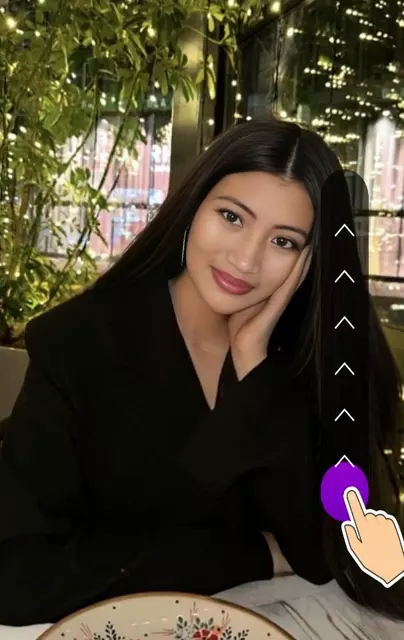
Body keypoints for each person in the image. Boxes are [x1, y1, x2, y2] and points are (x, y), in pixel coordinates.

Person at [0, 117, 402, 626]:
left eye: (283, 242)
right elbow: (16, 577)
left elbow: (332, 551)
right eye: (232, 217)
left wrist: (254, 369)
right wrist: (248, 552)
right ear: (193, 206)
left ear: (309, 260)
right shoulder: (79, 341)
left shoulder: (306, 358)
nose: (245, 260)